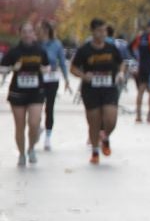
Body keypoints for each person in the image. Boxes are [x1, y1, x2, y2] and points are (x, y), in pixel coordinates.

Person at [71, 19, 127, 164]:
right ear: (93, 31)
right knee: (94, 121)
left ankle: (105, 136)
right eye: (100, 31)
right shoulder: (85, 50)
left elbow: (121, 62)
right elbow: (73, 68)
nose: (103, 34)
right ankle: (95, 151)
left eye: (104, 31)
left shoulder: (111, 47)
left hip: (109, 87)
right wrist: (84, 76)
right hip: (91, 89)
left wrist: (120, 73)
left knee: (111, 119)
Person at [2, 21, 53, 165]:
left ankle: (31, 148)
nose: (27, 34)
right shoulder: (14, 51)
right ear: (20, 34)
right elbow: (2, 68)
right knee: (20, 126)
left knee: (34, 123)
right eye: (24, 31)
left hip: (36, 92)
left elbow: (47, 66)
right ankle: (22, 154)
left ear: (34, 34)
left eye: (30, 31)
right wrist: (13, 68)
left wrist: (45, 70)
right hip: (18, 93)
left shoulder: (40, 50)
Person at [38, 20, 68, 150]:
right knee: (36, 106)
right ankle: (37, 127)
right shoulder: (35, 44)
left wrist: (66, 79)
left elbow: (62, 62)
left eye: (42, 30)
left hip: (52, 79)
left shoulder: (56, 44)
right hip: (38, 79)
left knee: (49, 107)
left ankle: (48, 137)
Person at [131, 20, 150, 123]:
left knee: (141, 90)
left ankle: (138, 115)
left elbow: (130, 48)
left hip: (142, 66)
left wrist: (135, 58)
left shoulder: (140, 37)